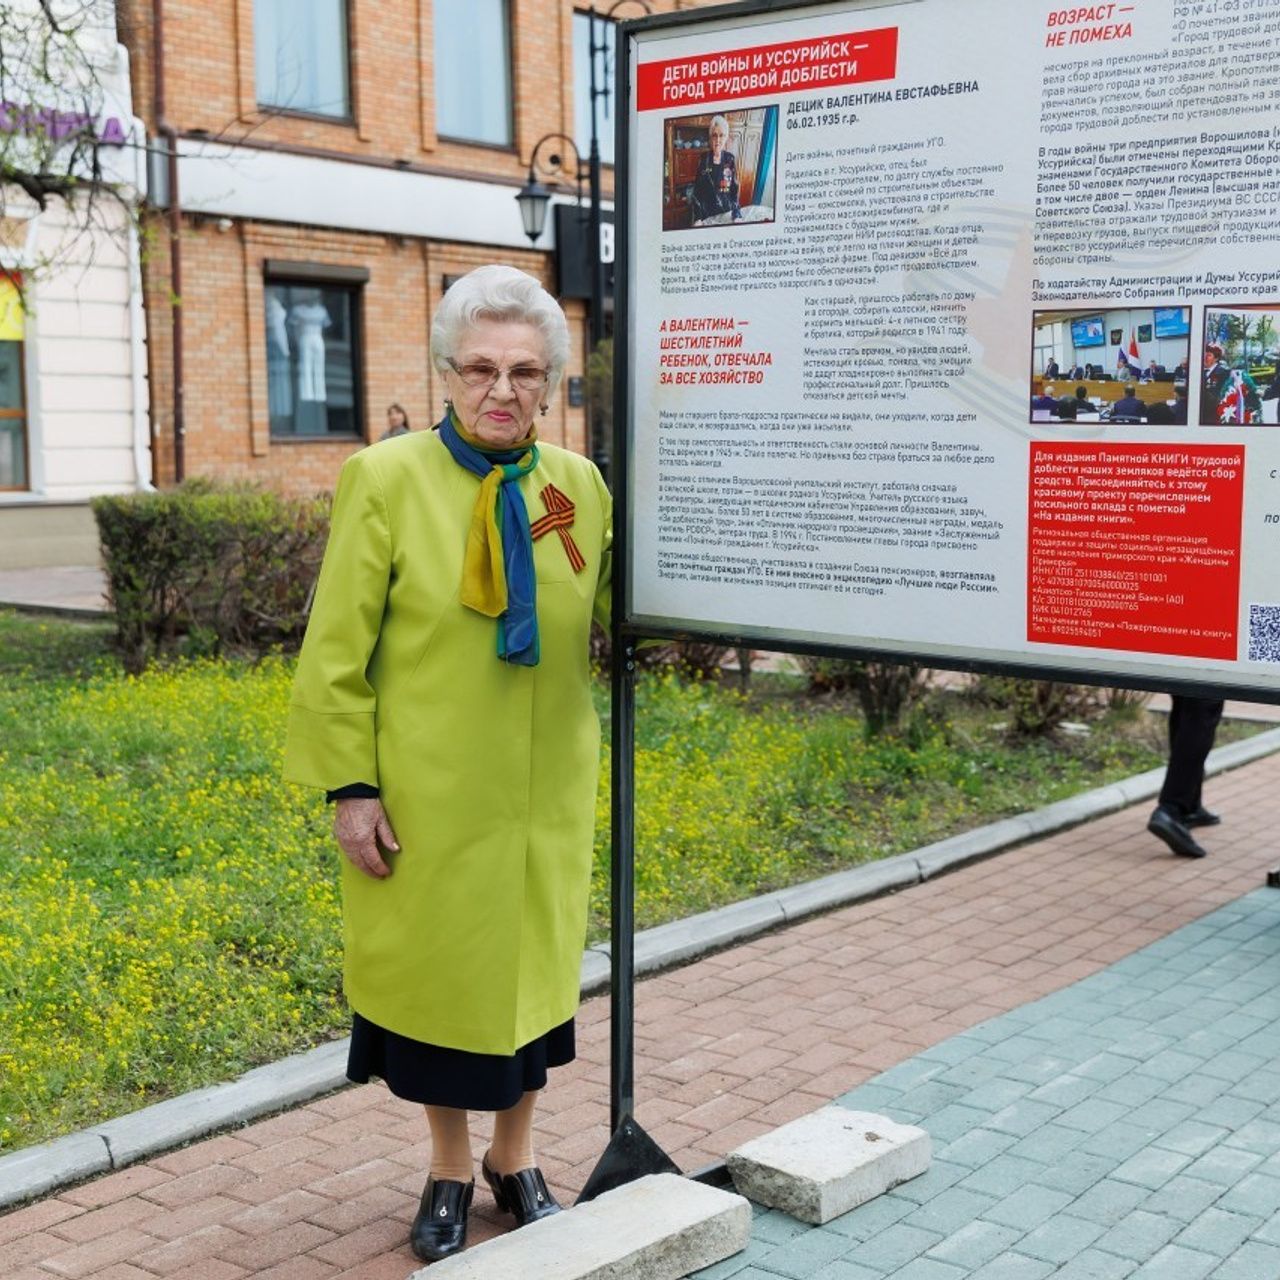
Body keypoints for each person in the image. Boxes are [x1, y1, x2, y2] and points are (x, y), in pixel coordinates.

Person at [283, 265, 611, 1264]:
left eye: (523, 371)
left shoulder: (577, 486)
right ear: (444, 372)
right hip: (427, 790)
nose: (500, 390)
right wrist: (350, 786)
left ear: (550, 381)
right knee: (435, 992)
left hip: (542, 789)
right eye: (479, 368)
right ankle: (447, 1164)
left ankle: (517, 1159)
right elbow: (336, 650)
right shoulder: (384, 479)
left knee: (531, 987)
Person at [1148, 695, 1225, 859]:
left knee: (1186, 705)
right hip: (1210, 670)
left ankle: (1190, 806)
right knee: (1202, 710)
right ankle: (1172, 809)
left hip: (1187, 668)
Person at [689, 114, 741, 225]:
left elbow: (734, 190)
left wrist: (736, 214)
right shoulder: (704, 159)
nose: (718, 140)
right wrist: (697, 218)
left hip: (726, 211)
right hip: (706, 214)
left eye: (721, 135)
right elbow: (697, 192)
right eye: (714, 135)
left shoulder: (729, 159)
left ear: (726, 138)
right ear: (710, 138)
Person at [1203, 343, 1261, 424]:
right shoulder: (1203, 372)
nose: (1205, 358)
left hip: (1215, 415)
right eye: (1204, 354)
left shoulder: (1223, 372)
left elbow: (1220, 395)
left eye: (1209, 355)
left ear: (1216, 358)